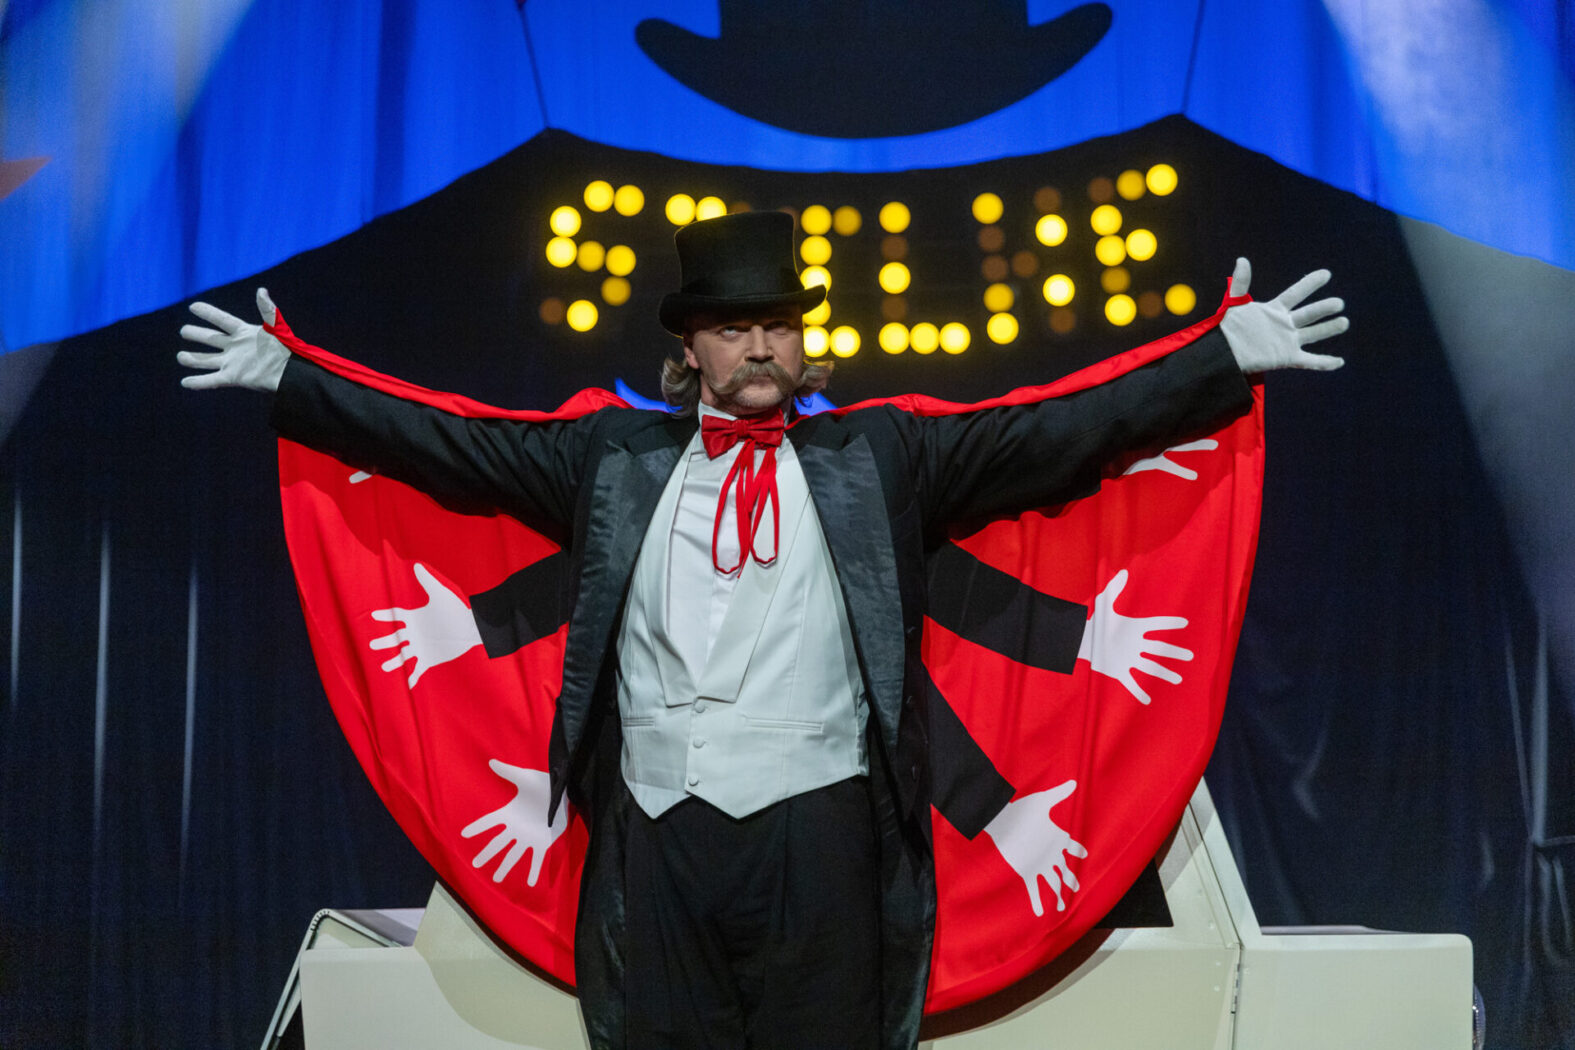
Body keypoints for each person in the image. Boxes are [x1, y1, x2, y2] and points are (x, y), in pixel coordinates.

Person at [177, 210, 1346, 1050]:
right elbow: (447, 443)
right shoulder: (611, 459)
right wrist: (294, 379)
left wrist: (1218, 361)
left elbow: (1057, 431)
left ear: (804, 341)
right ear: (689, 349)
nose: (758, 348)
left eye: (777, 325)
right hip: (658, 837)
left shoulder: (881, 454)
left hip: (821, 835)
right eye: (733, 328)